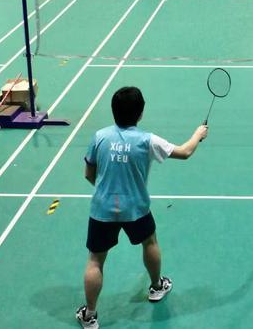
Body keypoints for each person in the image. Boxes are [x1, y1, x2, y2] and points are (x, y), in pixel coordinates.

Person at [75, 86, 208, 329]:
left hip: (103, 208)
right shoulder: (148, 140)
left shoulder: (99, 137)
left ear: (113, 110)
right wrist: (198, 134)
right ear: (140, 113)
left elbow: (88, 173)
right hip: (135, 207)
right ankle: (157, 287)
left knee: (95, 260)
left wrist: (107, 191)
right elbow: (185, 151)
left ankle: (90, 315)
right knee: (150, 242)